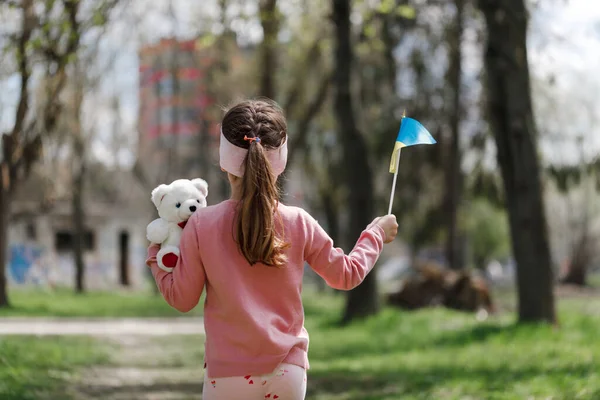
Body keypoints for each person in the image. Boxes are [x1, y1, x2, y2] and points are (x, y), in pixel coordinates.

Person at [145, 98, 398, 400]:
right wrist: (376, 234)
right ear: (281, 160)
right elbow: (347, 274)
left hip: (227, 376)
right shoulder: (299, 222)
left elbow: (183, 298)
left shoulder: (201, 224)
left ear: (225, 162)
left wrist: (156, 254)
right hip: (287, 375)